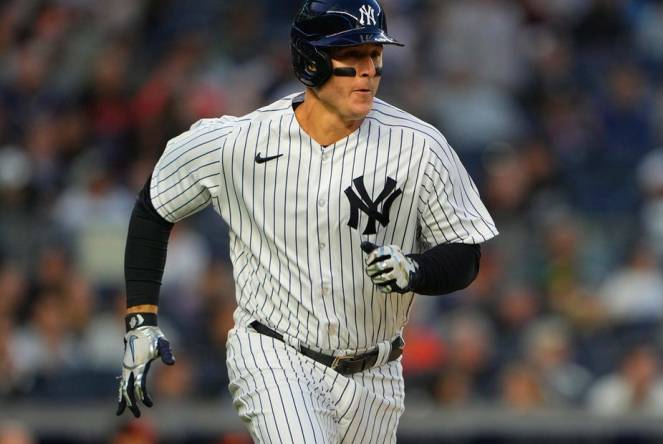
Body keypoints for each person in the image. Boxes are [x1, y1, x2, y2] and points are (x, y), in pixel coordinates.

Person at [115, 1, 498, 443]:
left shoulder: (419, 146)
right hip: (275, 355)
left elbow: (466, 253)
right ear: (310, 61)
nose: (369, 70)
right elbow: (154, 208)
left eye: (375, 55)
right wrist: (141, 318)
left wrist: (416, 270)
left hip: (377, 375)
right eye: (351, 56)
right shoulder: (239, 143)